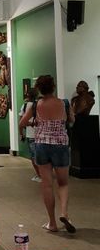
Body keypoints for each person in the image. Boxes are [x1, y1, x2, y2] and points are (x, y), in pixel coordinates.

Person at [19, 74, 75, 233]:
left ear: (39, 89)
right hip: (61, 145)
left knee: (47, 184)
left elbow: (22, 123)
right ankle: (64, 213)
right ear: (53, 87)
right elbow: (72, 120)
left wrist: (34, 122)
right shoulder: (64, 103)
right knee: (63, 183)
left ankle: (52, 222)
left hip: (42, 145)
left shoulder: (36, 105)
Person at [19, 88, 41, 182]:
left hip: (31, 134)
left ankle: (39, 175)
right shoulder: (40, 104)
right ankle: (43, 174)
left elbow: (21, 122)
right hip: (42, 134)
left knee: (33, 156)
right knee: (41, 155)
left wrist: (21, 134)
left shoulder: (25, 106)